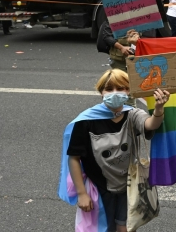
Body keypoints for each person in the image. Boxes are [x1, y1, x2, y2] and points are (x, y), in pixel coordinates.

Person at [62, 69, 169, 232]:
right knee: (103, 228)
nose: (115, 93)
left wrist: (159, 109)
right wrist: (82, 193)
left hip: (128, 186)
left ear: (129, 91)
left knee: (124, 227)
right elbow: (74, 158)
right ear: (101, 93)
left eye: (121, 88)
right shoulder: (86, 122)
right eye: (109, 89)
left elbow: (150, 124)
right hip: (99, 188)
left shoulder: (132, 115)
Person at [100, 0, 156, 73]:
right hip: (120, 58)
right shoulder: (118, 0)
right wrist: (121, 47)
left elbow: (152, 32)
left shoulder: (149, 0)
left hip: (140, 56)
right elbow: (106, 33)